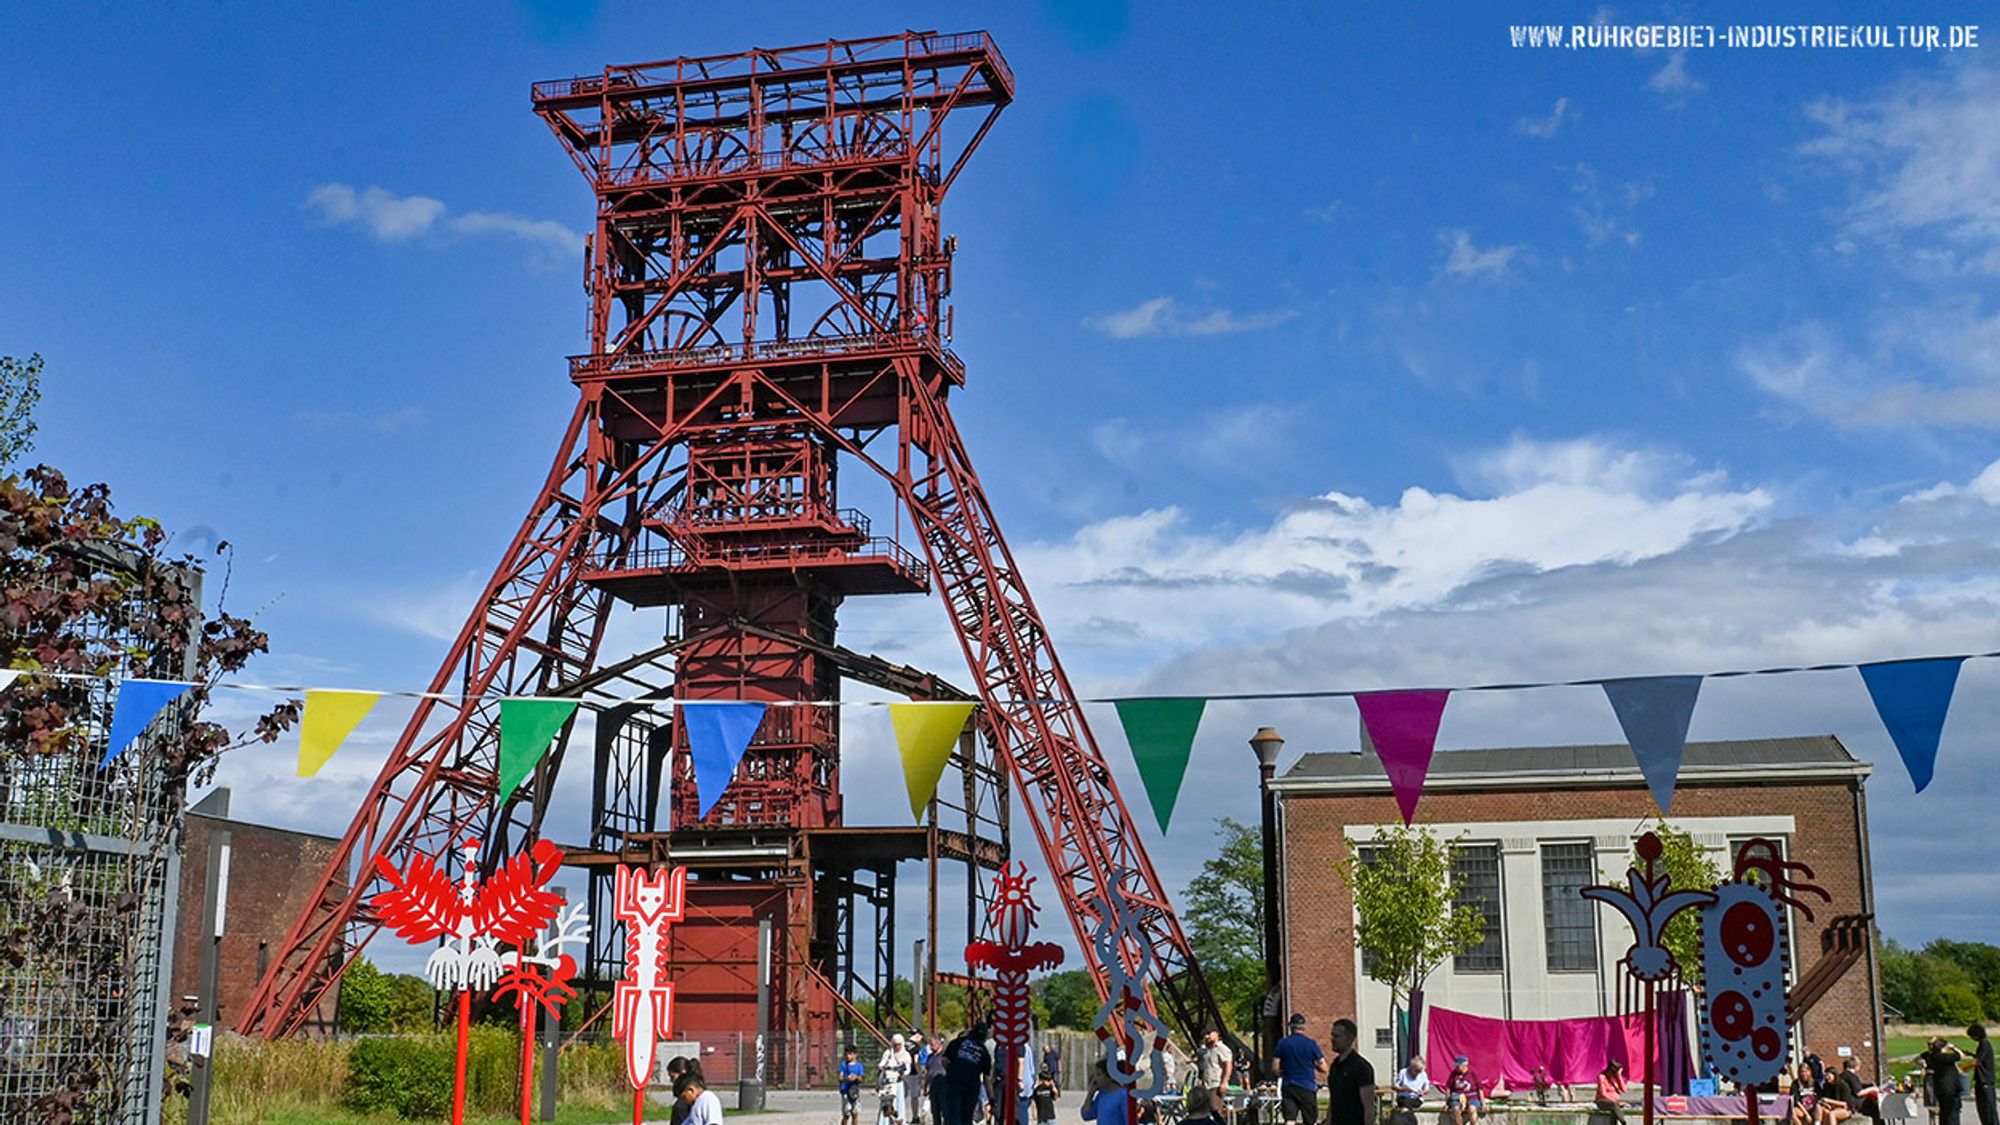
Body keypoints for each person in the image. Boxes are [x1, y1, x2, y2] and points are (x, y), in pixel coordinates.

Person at [1272, 1014, 1328, 1125]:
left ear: (1290, 1027)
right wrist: (1314, 1065)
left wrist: (1283, 1072)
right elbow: (1324, 1067)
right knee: (1310, 1120)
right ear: (1304, 1027)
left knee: (1290, 1120)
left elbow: (1275, 1068)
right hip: (1307, 1086)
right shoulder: (1311, 1044)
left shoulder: (1282, 1043)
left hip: (1289, 1085)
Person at [1325, 1019, 1377, 1125]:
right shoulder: (1335, 1065)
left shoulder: (1361, 1067)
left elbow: (1369, 1106)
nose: (1332, 1039)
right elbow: (1334, 1099)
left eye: (1337, 1036)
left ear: (1350, 1038)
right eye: (1332, 1035)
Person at [940, 1023, 994, 1125]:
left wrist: (952, 1071)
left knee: (952, 1116)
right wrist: (991, 1098)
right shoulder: (984, 1052)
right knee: (966, 1117)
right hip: (971, 1087)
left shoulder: (957, 1042)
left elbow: (944, 1060)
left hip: (953, 1083)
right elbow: (986, 1078)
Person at [1926, 1039, 1968, 1125]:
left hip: (1940, 1088)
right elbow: (1960, 1055)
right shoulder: (1945, 1057)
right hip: (1950, 1089)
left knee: (1944, 1113)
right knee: (1952, 1114)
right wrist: (1953, 1047)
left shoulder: (1933, 1056)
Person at [1084, 1059, 1132, 1125]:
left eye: (1099, 1075)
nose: (1095, 1078)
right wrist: (1090, 1093)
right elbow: (1086, 1115)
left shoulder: (1123, 1096)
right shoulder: (1102, 1095)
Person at [882, 1034, 915, 1125]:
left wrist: (902, 1073)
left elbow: (908, 1069)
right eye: (895, 1044)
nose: (897, 1046)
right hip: (888, 1082)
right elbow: (881, 1064)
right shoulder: (888, 1053)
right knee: (887, 1104)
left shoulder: (906, 1054)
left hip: (898, 1082)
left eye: (899, 1044)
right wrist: (885, 1066)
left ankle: (899, 1120)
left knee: (898, 1103)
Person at [1197, 1029, 1237, 1099]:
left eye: (1209, 1034)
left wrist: (1224, 1083)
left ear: (1217, 1034)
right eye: (1206, 1034)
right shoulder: (1207, 1050)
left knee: (1215, 1108)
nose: (1207, 1036)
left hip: (1216, 1085)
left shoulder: (1222, 1048)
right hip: (1206, 1085)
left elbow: (1228, 1065)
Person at [1443, 1056, 1483, 1125]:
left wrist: (1483, 1103)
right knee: (1456, 1110)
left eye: (1458, 1066)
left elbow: (1480, 1089)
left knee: (1472, 1109)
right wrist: (1446, 1103)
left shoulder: (1472, 1073)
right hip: (1457, 1097)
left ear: (1464, 1065)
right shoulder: (1453, 1074)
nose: (1456, 1067)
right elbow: (1449, 1088)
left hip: (1471, 1097)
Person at [1972, 1027, 1997, 1125]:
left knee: (1988, 1109)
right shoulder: (1982, 1044)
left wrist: (1963, 1067)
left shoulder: (1985, 1044)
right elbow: (1978, 1057)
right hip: (1981, 1080)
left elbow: (1978, 1061)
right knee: (1982, 1109)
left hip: (1985, 1080)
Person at [841, 1048, 867, 1125]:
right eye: (846, 1054)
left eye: (850, 1054)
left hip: (854, 1092)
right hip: (845, 1091)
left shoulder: (859, 1066)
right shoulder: (843, 1064)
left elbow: (861, 1078)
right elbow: (840, 1077)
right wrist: (847, 1078)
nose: (847, 1056)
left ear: (855, 1055)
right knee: (846, 1114)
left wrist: (856, 1077)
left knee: (855, 1113)